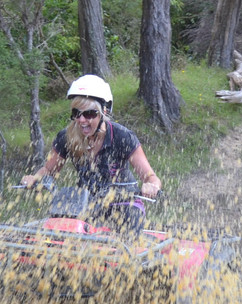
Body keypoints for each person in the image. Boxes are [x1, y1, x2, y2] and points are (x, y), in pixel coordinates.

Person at [21, 75, 161, 230]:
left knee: (130, 226)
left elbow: (150, 176)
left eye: (89, 114)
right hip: (86, 203)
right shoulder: (66, 137)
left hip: (125, 203)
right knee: (59, 230)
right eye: (76, 113)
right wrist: (35, 178)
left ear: (104, 111)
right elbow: (48, 170)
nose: (81, 120)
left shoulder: (122, 136)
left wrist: (151, 186)